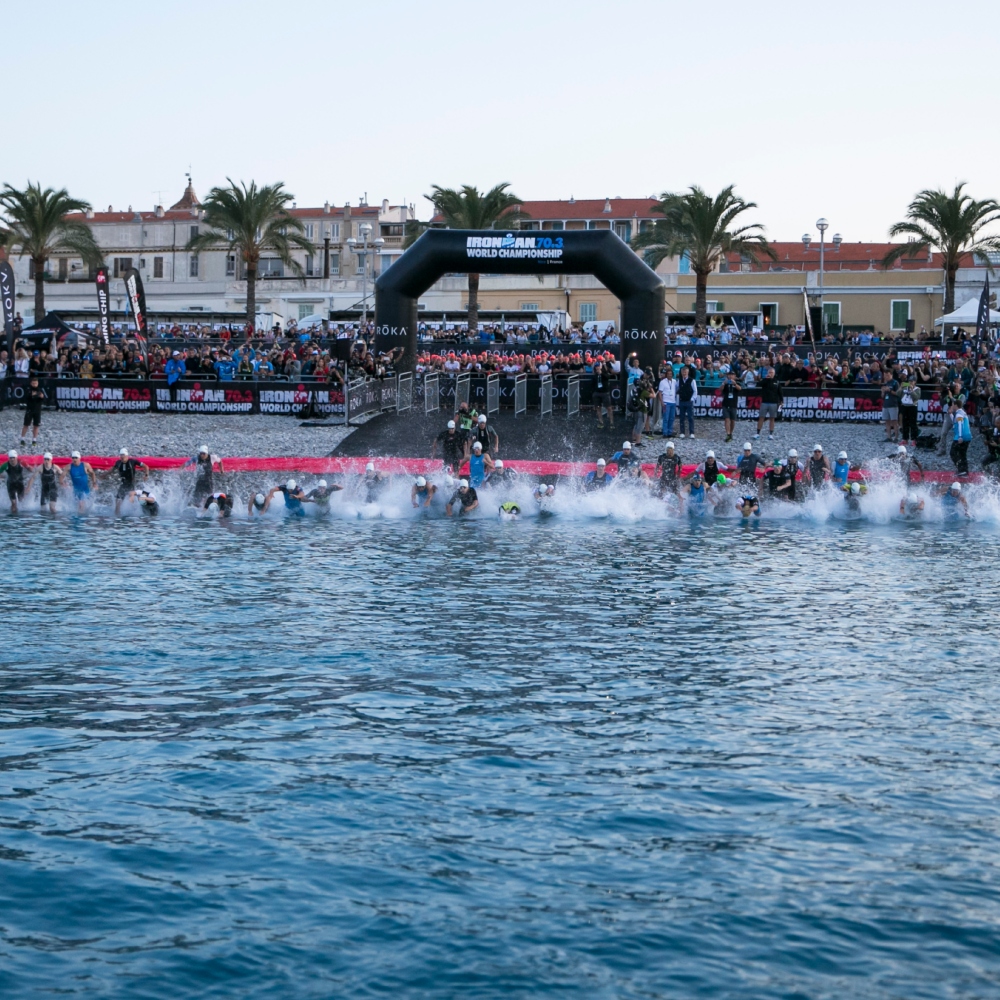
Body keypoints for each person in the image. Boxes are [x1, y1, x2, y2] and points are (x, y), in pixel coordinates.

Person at [106, 448, 149, 515]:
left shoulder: (132, 462)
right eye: (121, 456)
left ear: (127, 455)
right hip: (123, 485)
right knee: (118, 501)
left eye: (123, 456)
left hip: (131, 484)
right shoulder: (118, 463)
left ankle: (140, 513)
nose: (122, 457)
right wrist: (104, 475)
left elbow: (146, 466)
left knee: (132, 501)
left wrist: (146, 475)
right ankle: (117, 517)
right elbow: (112, 470)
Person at [754, 367, 782, 440]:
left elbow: (780, 392)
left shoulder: (777, 382)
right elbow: (758, 384)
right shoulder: (765, 380)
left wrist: (781, 401)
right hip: (765, 402)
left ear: (774, 373)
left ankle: (770, 434)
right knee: (761, 417)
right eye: (769, 372)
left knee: (772, 418)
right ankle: (757, 433)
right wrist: (766, 379)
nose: (770, 374)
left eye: (772, 372)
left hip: (773, 402)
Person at [20, 376, 45, 449]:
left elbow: (42, 400)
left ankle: (34, 440)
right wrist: (32, 396)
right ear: (31, 383)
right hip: (30, 410)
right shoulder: (28, 390)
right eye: (33, 383)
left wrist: (42, 397)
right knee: (26, 424)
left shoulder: (40, 390)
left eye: (36, 383)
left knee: (36, 425)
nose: (35, 384)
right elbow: (26, 398)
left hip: (37, 410)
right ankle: (22, 438)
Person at [676, 365, 698, 438]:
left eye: (685, 372)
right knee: (682, 418)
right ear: (681, 373)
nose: (684, 373)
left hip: (689, 401)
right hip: (682, 401)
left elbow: (695, 391)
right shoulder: (679, 381)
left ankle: (691, 432)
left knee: (690, 418)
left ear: (688, 372)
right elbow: (676, 389)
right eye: (683, 372)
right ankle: (682, 432)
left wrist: (692, 399)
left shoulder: (692, 381)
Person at [898, 375, 921, 446]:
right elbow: (898, 394)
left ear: (915, 382)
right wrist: (900, 388)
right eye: (909, 381)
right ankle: (905, 438)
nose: (910, 382)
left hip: (912, 407)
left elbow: (916, 397)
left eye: (912, 381)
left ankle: (914, 439)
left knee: (913, 423)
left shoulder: (917, 389)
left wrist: (911, 390)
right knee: (905, 423)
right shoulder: (905, 387)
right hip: (905, 406)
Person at [719, 369, 740, 443]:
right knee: (727, 419)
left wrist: (735, 384)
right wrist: (723, 384)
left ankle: (731, 433)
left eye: (732, 375)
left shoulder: (736, 383)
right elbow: (720, 390)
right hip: (726, 403)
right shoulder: (725, 383)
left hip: (733, 404)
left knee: (733, 420)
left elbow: (740, 389)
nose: (730, 376)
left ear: (734, 376)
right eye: (729, 375)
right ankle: (728, 433)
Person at [592, 360, 615, 429]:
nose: (597, 368)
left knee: (609, 408)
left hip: (605, 392)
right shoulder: (595, 375)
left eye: (598, 366)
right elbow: (592, 383)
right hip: (597, 392)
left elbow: (608, 377)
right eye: (596, 367)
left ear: (601, 367)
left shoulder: (604, 373)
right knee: (598, 408)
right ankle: (601, 422)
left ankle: (611, 422)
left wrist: (601, 373)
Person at [950, 408, 972, 476]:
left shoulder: (959, 414)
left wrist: (960, 436)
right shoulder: (961, 412)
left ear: (955, 405)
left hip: (960, 437)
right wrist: (950, 414)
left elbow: (960, 424)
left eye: (952, 406)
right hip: (966, 436)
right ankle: (964, 471)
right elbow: (955, 423)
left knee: (953, 453)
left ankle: (961, 469)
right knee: (962, 454)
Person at [881, 371, 901, 443]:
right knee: (887, 421)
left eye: (888, 375)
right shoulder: (885, 383)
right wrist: (883, 392)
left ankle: (896, 437)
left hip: (893, 404)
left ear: (891, 375)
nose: (886, 377)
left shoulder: (895, 383)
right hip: (886, 404)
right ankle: (888, 437)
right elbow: (882, 396)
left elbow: (898, 393)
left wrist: (890, 390)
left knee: (894, 421)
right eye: (885, 375)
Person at [657, 366, 677, 438]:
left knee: (671, 418)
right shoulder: (663, 382)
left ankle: (670, 432)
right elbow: (660, 393)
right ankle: (665, 432)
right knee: (666, 418)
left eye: (671, 374)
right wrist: (662, 402)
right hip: (666, 402)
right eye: (668, 374)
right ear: (666, 374)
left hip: (673, 402)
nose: (670, 375)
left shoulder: (674, 381)